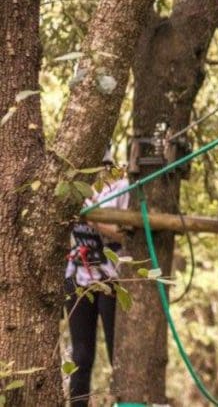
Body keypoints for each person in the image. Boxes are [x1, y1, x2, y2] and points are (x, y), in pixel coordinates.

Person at [64, 146, 130, 407]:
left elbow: (127, 234)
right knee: (80, 355)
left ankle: (123, 402)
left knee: (118, 352)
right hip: (78, 273)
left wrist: (93, 219)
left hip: (111, 276)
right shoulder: (73, 187)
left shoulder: (123, 187)